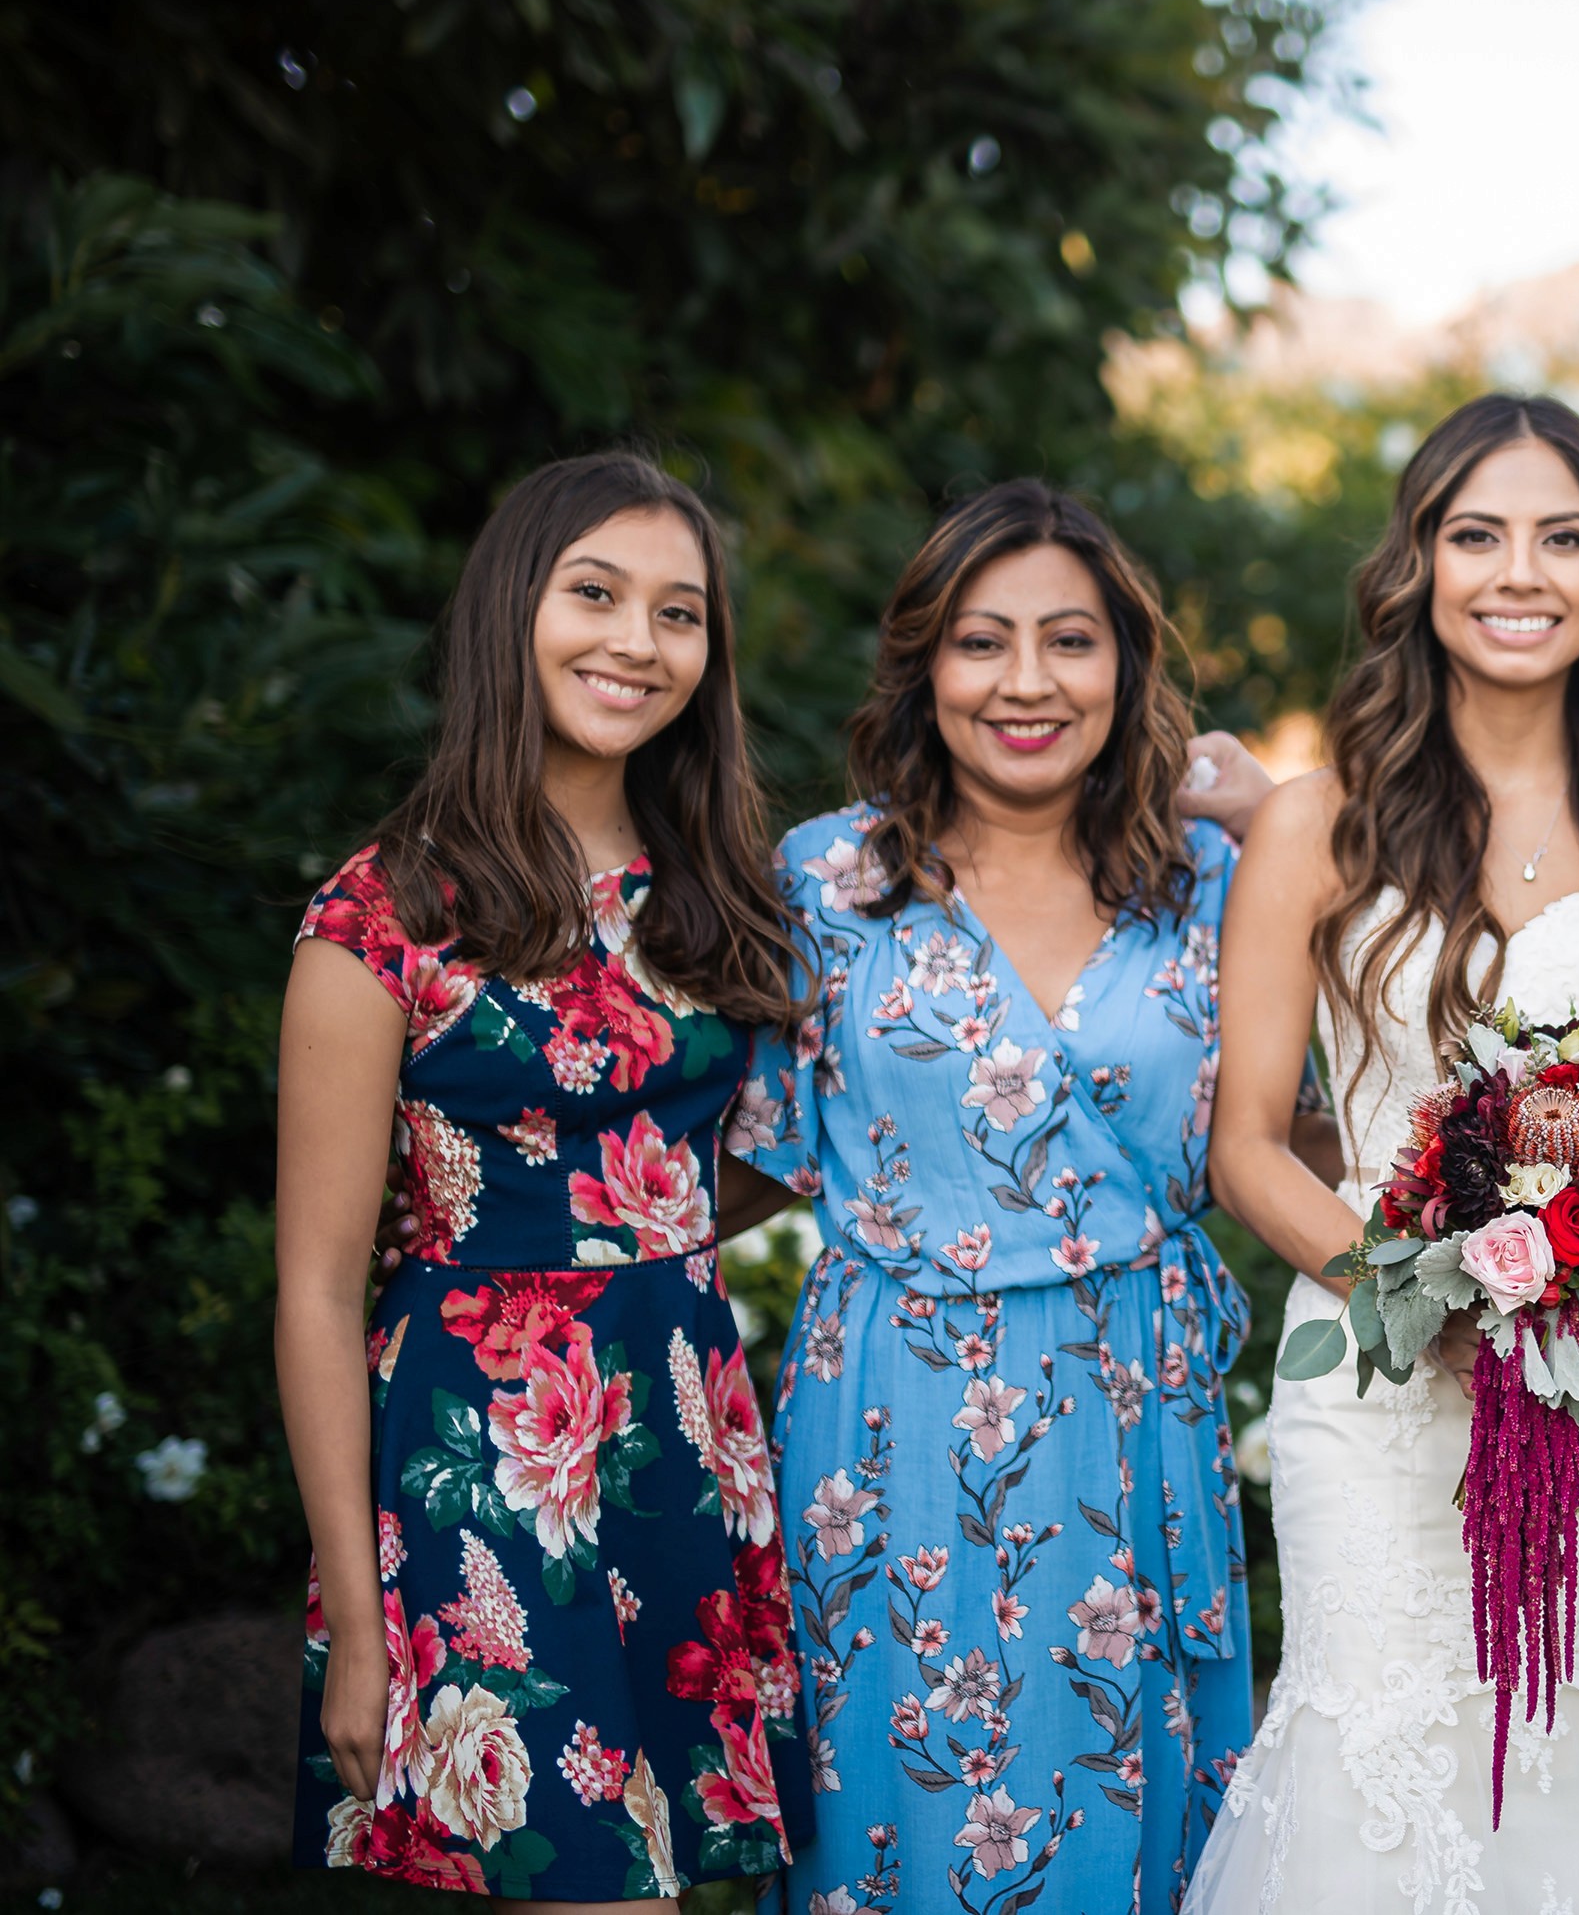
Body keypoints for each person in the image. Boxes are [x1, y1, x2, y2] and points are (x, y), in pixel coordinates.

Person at [1188, 394, 1579, 1913]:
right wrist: (1442, 1295)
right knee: (1387, 1750)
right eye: (1475, 534)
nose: (1517, 570)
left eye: (1563, 535)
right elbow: (1249, 1148)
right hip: (1380, 1383)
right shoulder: (1315, 825)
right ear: (1417, 566)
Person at [723, 481, 1265, 1913]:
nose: (1027, 680)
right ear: (924, 667)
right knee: (898, 1806)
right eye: (982, 641)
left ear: (1126, 665)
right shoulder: (827, 881)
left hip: (1136, 1397)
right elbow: (754, 1152)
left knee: (1132, 1794)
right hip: (892, 1418)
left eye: (1070, 640)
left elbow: (1286, 1132)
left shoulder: (1212, 880)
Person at [276, 452, 809, 1904]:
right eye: (596, 593)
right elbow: (317, 1289)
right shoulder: (383, 914)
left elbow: (726, 1166)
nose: (638, 641)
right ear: (513, 608)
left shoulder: (715, 888)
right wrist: (365, 1618)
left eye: (679, 612)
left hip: (685, 1439)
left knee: (680, 1876)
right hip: (486, 1462)